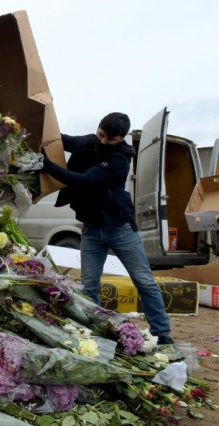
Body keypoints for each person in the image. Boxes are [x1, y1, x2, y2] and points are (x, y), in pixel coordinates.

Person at [41, 112, 174, 344]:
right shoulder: (88, 141)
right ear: (99, 127)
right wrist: (33, 132)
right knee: (89, 286)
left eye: (109, 139)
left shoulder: (119, 160)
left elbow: (84, 180)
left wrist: (47, 166)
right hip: (91, 229)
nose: (102, 141)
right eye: (101, 135)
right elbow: (59, 139)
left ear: (120, 139)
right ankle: (95, 330)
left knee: (143, 280)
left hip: (119, 228)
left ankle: (162, 334)